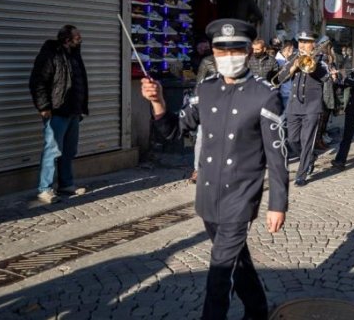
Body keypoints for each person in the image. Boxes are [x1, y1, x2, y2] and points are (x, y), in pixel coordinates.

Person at [141, 19, 287, 320]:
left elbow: (277, 156)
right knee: (236, 260)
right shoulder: (206, 90)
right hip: (208, 196)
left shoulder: (264, 94)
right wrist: (157, 103)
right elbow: (173, 130)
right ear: (213, 54)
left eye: (236, 49)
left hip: (241, 197)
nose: (228, 56)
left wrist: (277, 204)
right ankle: (258, 309)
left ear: (248, 52)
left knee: (220, 272)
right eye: (222, 50)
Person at [29, 25, 88, 204]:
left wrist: (81, 108)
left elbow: (80, 83)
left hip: (73, 111)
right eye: (77, 35)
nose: (80, 37)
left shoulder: (74, 55)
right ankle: (44, 189)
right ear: (66, 39)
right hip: (57, 111)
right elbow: (37, 82)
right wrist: (44, 106)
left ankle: (66, 184)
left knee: (69, 151)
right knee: (52, 150)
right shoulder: (51, 55)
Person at [282, 31, 330, 186]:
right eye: (300, 41)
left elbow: (325, 77)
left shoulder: (322, 59)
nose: (302, 45)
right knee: (292, 140)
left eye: (306, 42)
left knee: (306, 139)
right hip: (294, 105)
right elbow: (282, 78)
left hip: (312, 107)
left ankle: (301, 175)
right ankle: (309, 158)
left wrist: (311, 63)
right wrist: (294, 66)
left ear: (313, 44)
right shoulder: (292, 58)